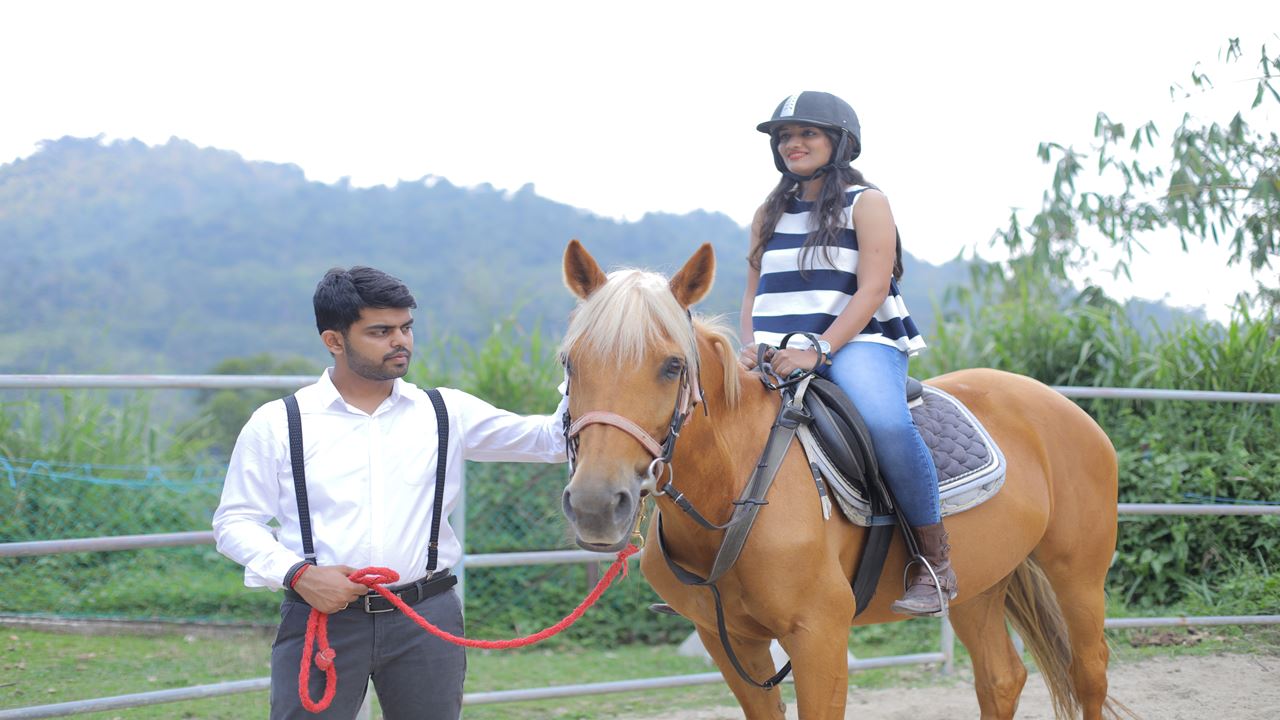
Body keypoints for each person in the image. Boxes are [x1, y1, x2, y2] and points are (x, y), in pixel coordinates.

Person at [213, 266, 567, 719]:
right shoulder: (280, 422)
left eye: (406, 328)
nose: (400, 341)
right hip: (322, 618)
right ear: (334, 341)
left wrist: (586, 366)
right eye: (380, 331)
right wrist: (298, 574)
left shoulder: (444, 412)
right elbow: (234, 522)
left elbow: (553, 441)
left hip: (426, 615)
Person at [738, 91, 956, 616]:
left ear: (839, 142)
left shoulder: (868, 202)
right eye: (785, 137)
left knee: (884, 423)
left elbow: (873, 288)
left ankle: (934, 562)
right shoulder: (768, 212)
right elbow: (753, 292)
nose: (793, 144)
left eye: (807, 134)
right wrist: (749, 348)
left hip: (858, 342)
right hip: (777, 351)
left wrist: (821, 348)